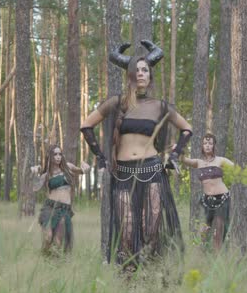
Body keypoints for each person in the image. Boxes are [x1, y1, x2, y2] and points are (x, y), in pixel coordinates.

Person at [80, 40, 192, 269]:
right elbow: (86, 125)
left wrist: (174, 156)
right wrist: (100, 158)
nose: (141, 74)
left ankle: (150, 284)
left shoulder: (160, 106)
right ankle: (128, 283)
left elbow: (187, 128)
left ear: (149, 76)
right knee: (127, 232)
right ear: (129, 75)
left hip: (152, 172)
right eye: (137, 70)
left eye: (145, 70)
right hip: (123, 175)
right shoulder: (116, 103)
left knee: (151, 230)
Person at [30, 145, 90, 254]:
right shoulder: (46, 175)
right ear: (50, 156)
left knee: (58, 243)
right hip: (50, 208)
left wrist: (86, 167)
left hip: (64, 210)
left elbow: (82, 171)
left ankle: (54, 264)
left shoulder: (68, 167)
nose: (58, 157)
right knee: (48, 238)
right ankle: (43, 257)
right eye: (55, 154)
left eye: (60, 154)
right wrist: (34, 174)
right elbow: (35, 188)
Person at [180, 133, 234, 251]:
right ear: (202, 146)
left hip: (222, 199)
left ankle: (217, 260)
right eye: (205, 143)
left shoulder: (221, 160)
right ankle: (199, 259)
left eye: (210, 143)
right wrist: (180, 147)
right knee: (202, 232)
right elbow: (183, 160)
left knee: (218, 232)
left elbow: (237, 168)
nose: (207, 145)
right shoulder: (198, 162)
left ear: (214, 145)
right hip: (206, 201)